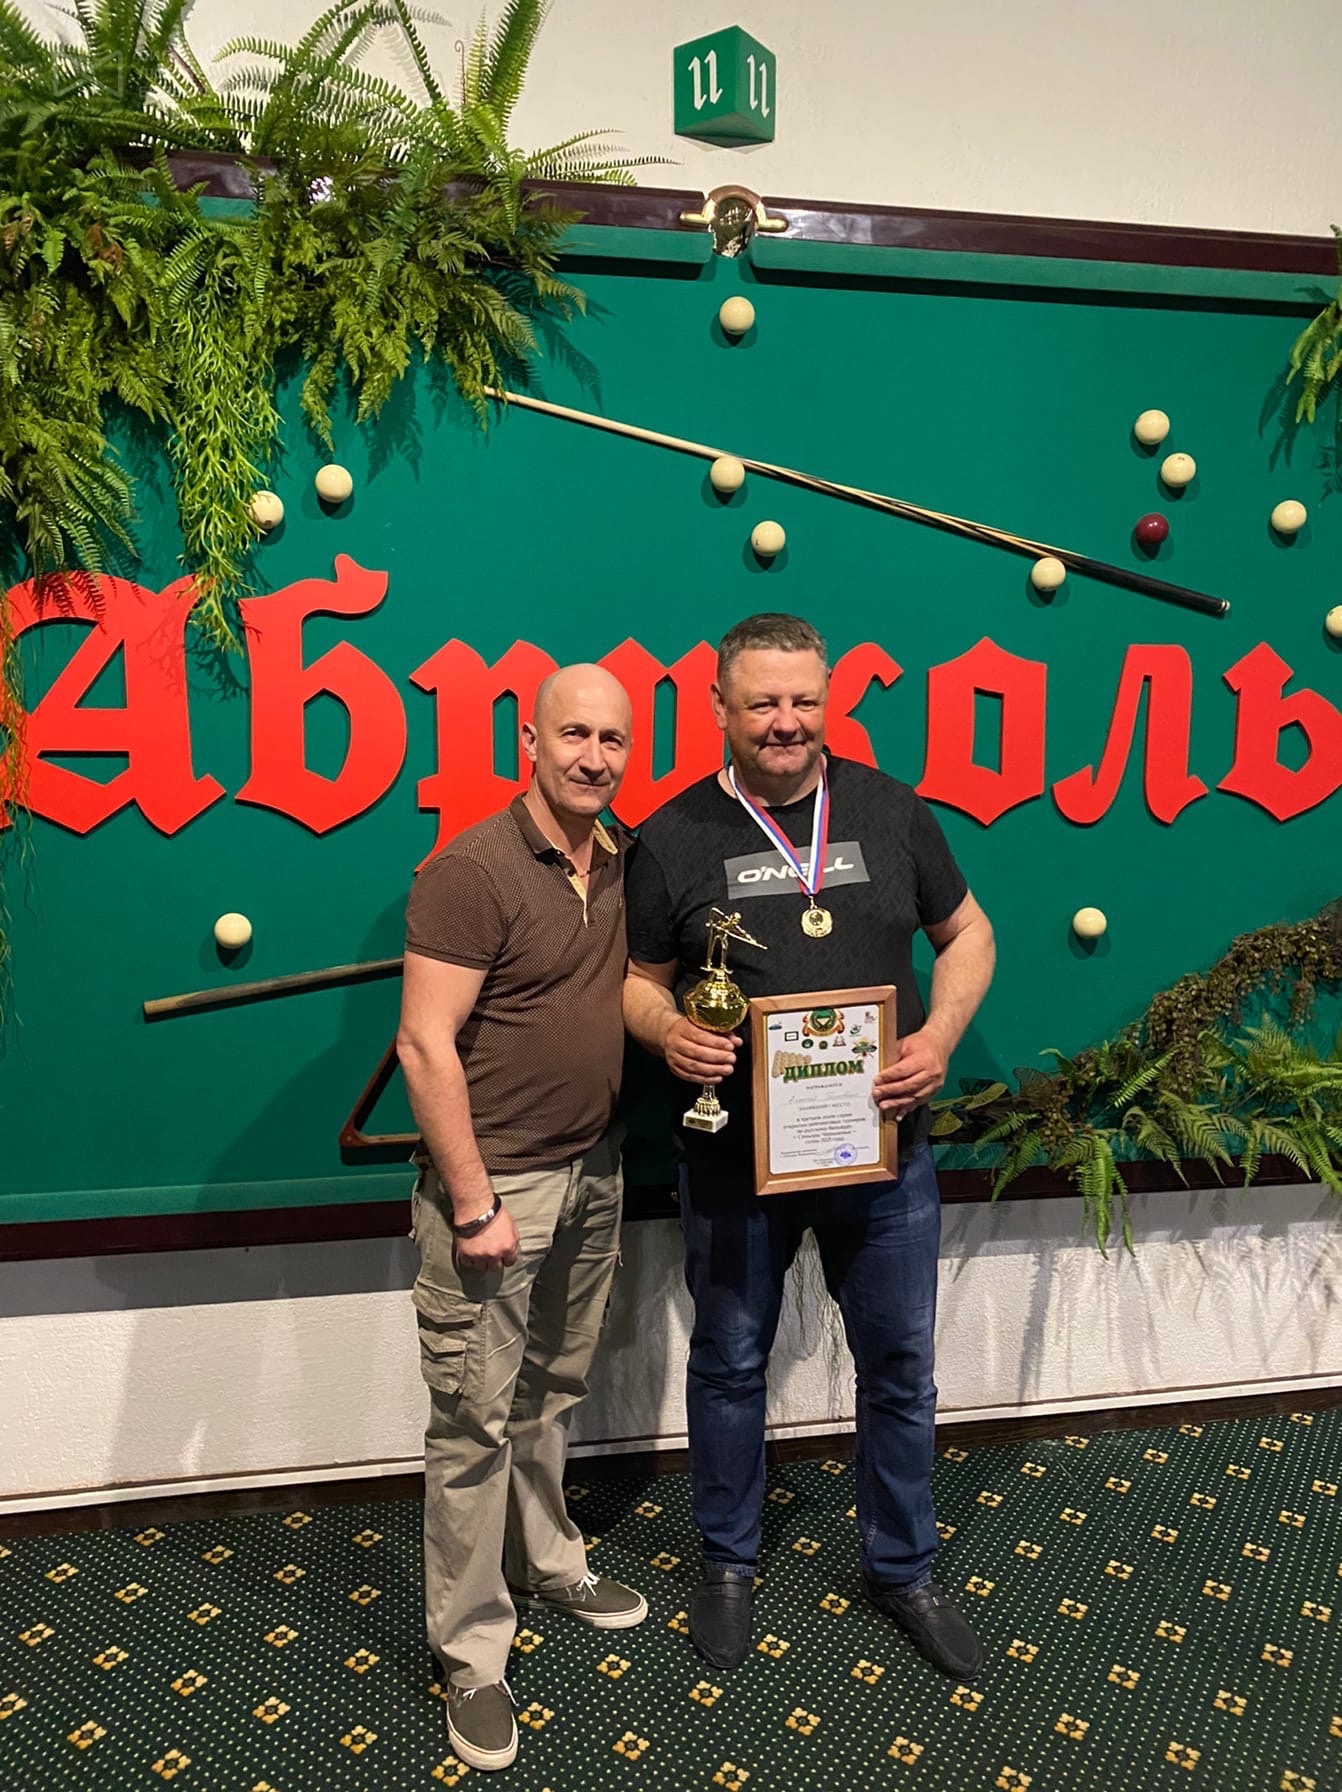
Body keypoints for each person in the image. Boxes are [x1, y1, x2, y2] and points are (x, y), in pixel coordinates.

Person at [623, 613, 996, 1679]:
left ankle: (904, 1567)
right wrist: (669, 1033)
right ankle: (726, 1562)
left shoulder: (891, 810)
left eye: (803, 701)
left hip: (884, 1158)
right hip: (733, 1163)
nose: (785, 722)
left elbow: (969, 933)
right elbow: (637, 983)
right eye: (761, 703)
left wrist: (938, 1038)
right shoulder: (671, 837)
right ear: (719, 708)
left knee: (900, 1367)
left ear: (827, 701)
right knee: (729, 1362)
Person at [397, 663, 647, 1773]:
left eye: (613, 739)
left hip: (595, 1172)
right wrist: (473, 1201)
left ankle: (547, 1559)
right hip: (497, 1191)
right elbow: (423, 1044)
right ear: (531, 744)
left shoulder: (623, 858)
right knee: (471, 1424)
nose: (594, 756)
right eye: (574, 735)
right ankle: (471, 1653)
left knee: (552, 1389)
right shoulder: (472, 869)